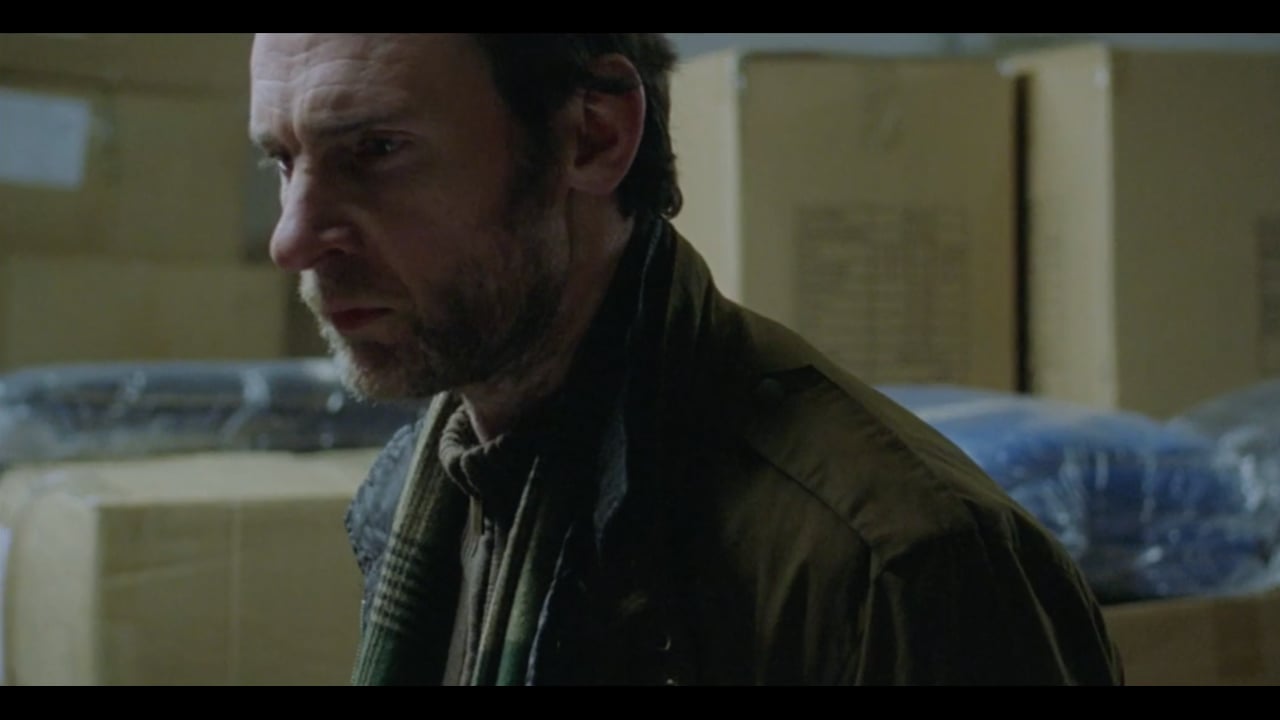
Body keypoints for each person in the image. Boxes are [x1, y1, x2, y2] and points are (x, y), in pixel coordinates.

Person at [248, 32, 1126, 686]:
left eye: (376, 151)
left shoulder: (895, 570)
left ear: (593, 136)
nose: (292, 238)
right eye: (284, 162)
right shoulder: (432, 496)